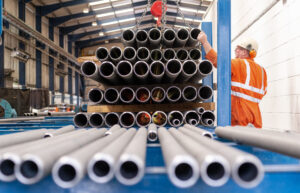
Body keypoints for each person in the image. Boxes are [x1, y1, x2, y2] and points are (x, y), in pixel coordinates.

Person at [197, 31, 267, 128]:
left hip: (240, 117)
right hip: (255, 119)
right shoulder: (262, 71)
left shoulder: (239, 64)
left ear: (246, 51)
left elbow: (218, 61)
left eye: (238, 49)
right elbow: (263, 92)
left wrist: (205, 42)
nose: (235, 51)